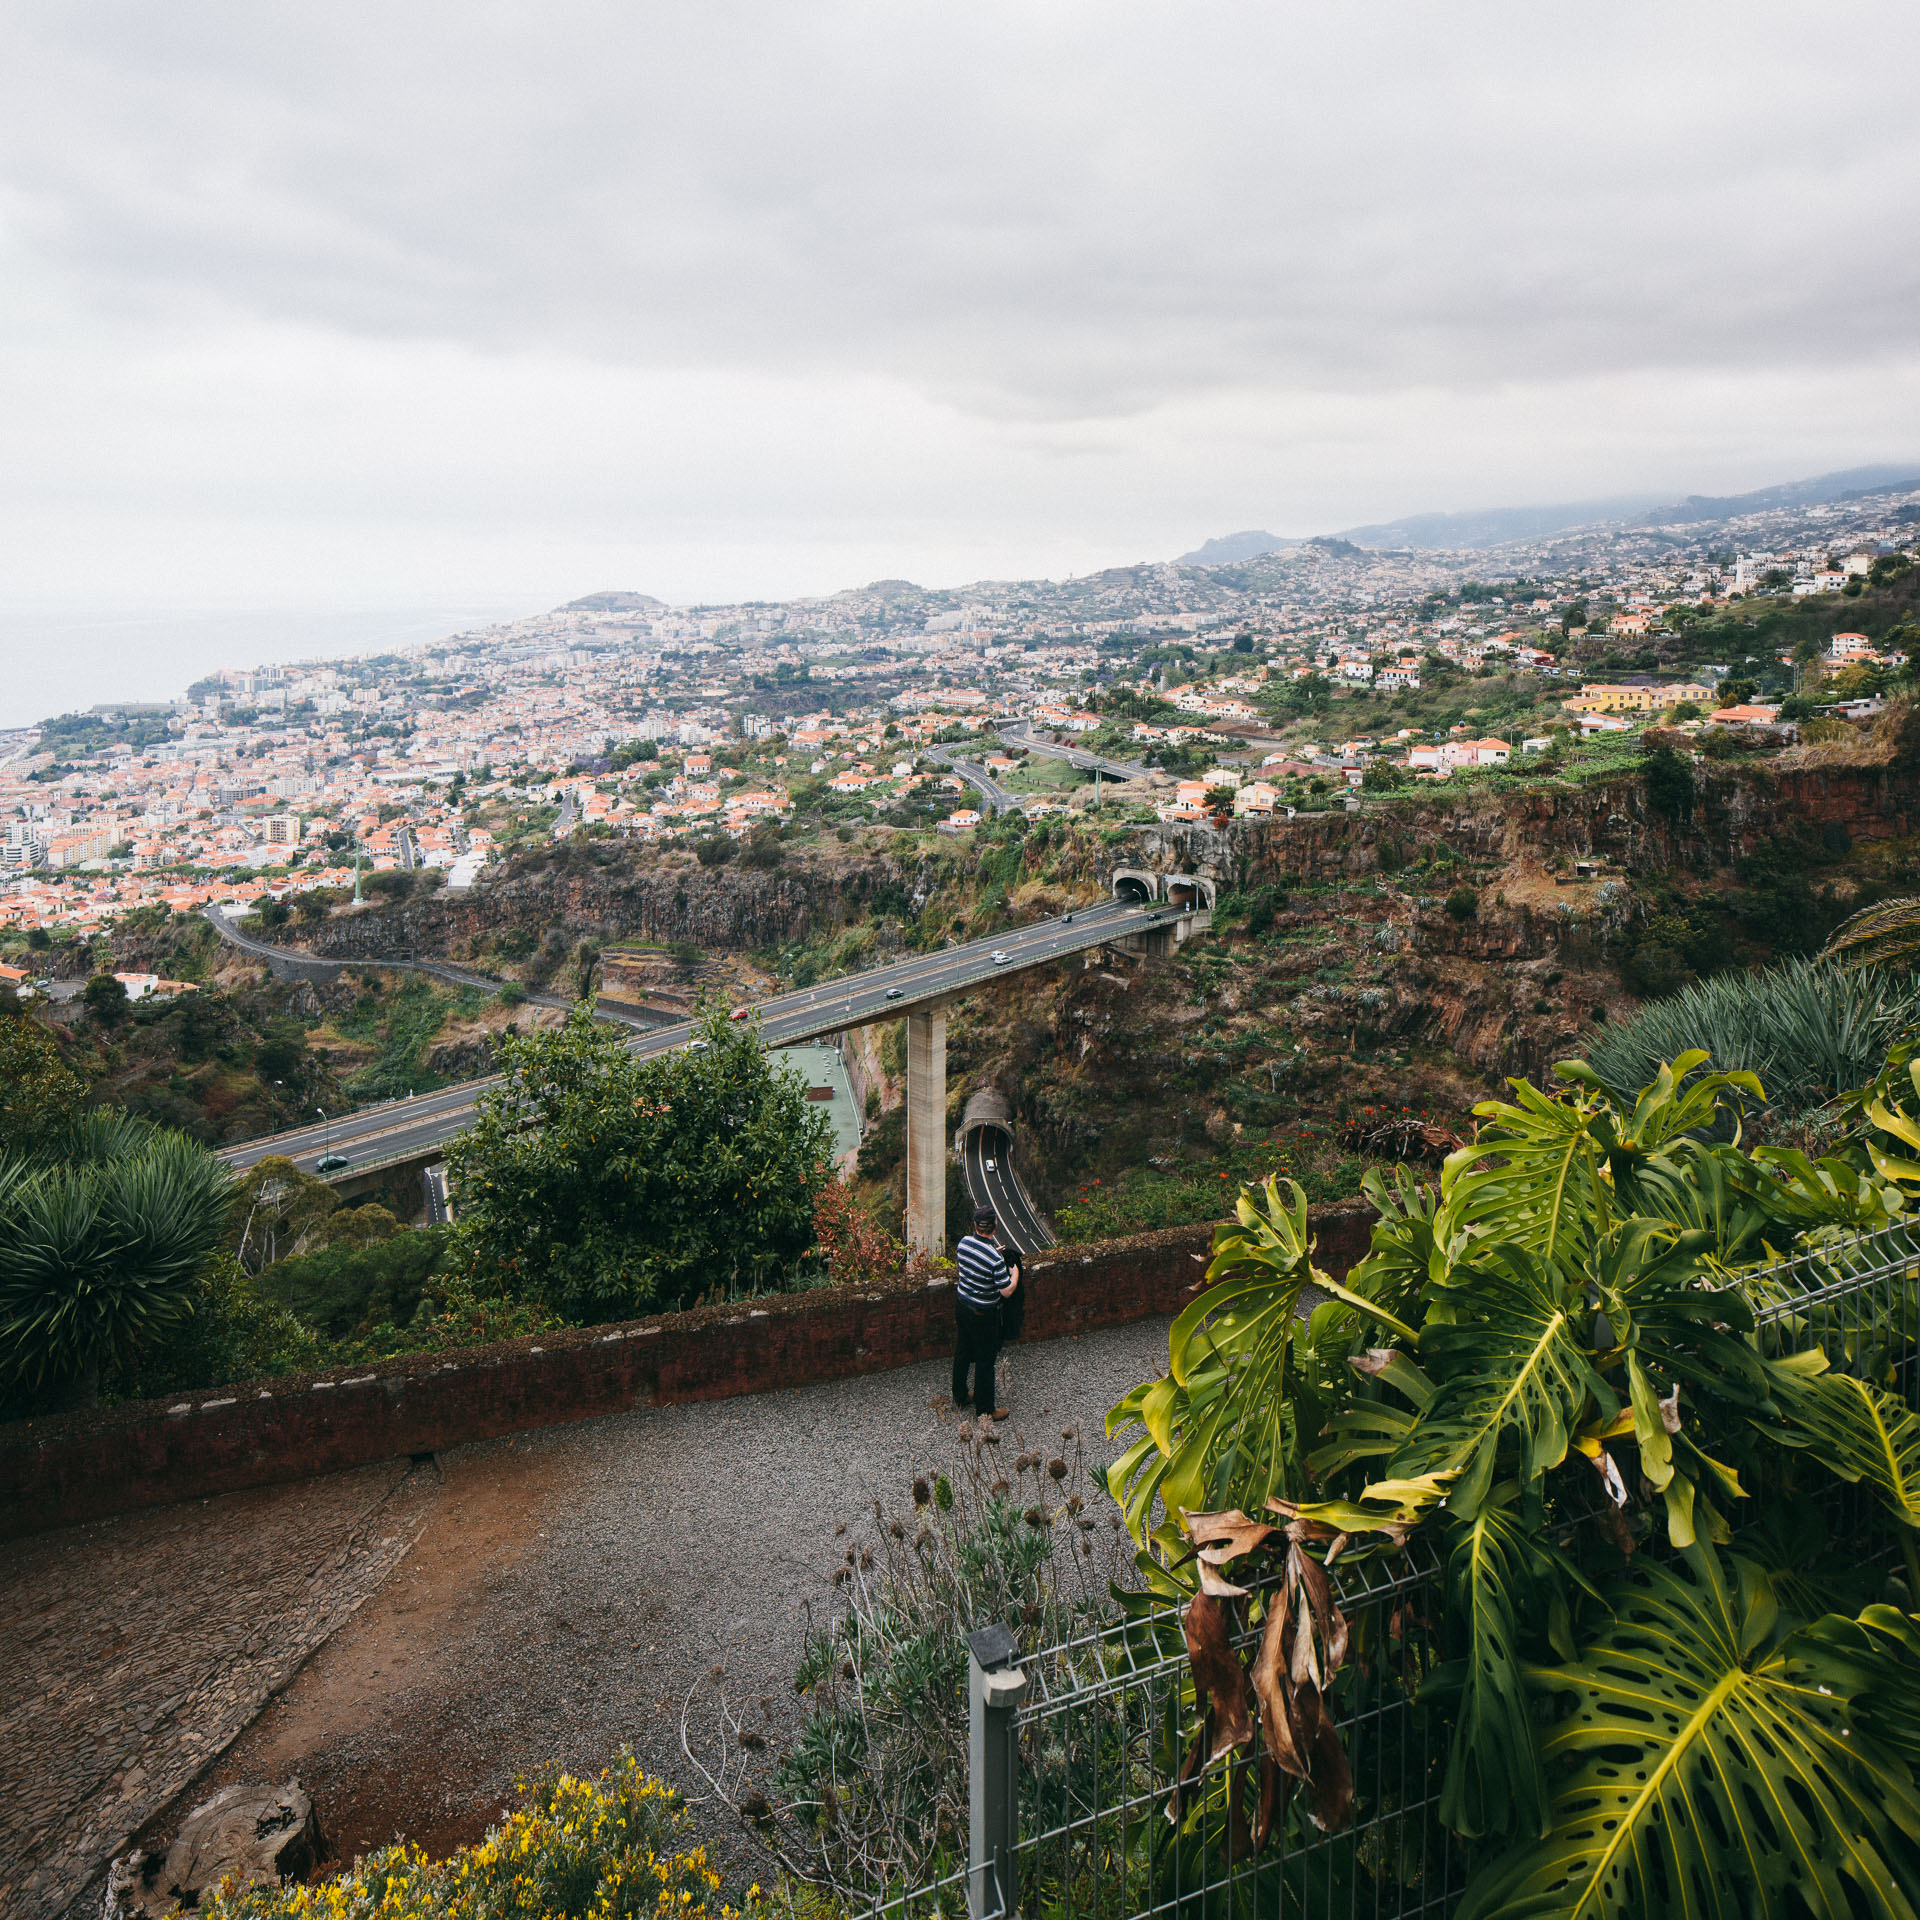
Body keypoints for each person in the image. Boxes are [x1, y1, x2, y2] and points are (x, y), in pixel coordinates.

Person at [953, 1209, 1019, 1419]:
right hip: (983, 1314)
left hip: (962, 1306)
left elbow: (974, 1262)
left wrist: (993, 1252)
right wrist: (1015, 1275)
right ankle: (985, 1410)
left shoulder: (963, 1243)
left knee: (962, 1351)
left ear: (975, 1225)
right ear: (995, 1226)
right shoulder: (995, 1259)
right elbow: (1006, 1291)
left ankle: (960, 1395)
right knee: (985, 1361)